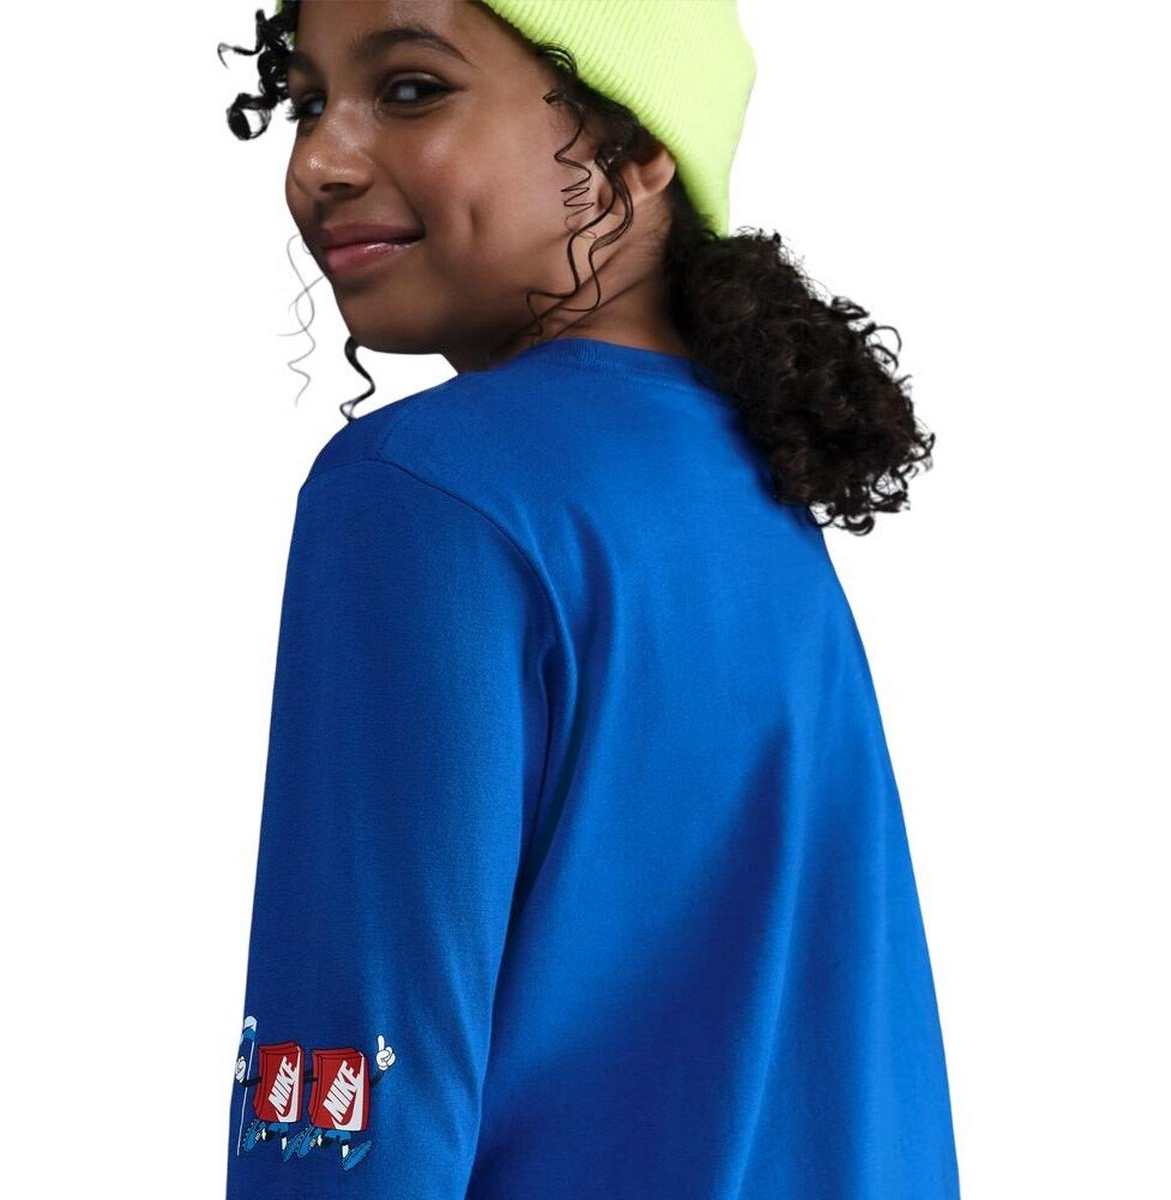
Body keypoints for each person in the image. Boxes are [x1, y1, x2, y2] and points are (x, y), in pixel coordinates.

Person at [218, 2, 960, 1196]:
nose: (319, 162)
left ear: (638, 144)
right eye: (306, 102)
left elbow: (359, 1110)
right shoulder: (754, 494)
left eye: (410, 90)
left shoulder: (424, 493)